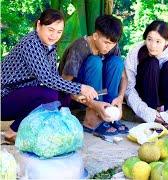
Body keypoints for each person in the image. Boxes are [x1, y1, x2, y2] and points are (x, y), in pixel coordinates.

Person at [1, 9, 98, 143]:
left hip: (17, 95)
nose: (54, 35)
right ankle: (12, 132)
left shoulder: (49, 46)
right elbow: (47, 79)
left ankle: (54, 129)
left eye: (59, 31)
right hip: (4, 97)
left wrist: (73, 94)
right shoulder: (31, 43)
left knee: (63, 96)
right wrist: (80, 88)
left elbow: (55, 78)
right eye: (50, 29)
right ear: (39, 25)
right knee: (48, 95)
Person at [59, 15, 128, 135]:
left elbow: (123, 77)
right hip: (77, 96)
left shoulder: (112, 46)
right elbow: (63, 84)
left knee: (117, 62)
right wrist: (91, 103)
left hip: (101, 93)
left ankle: (110, 114)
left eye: (112, 43)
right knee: (94, 61)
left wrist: (120, 97)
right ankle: (92, 119)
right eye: (106, 42)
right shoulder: (80, 47)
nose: (109, 47)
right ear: (95, 36)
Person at [125, 20, 168, 130]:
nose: (153, 45)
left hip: (164, 104)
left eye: (158, 41)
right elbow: (128, 88)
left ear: (167, 41)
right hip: (145, 99)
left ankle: (163, 120)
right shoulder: (135, 52)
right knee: (151, 63)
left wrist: (167, 116)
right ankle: (153, 118)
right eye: (149, 40)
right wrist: (148, 113)